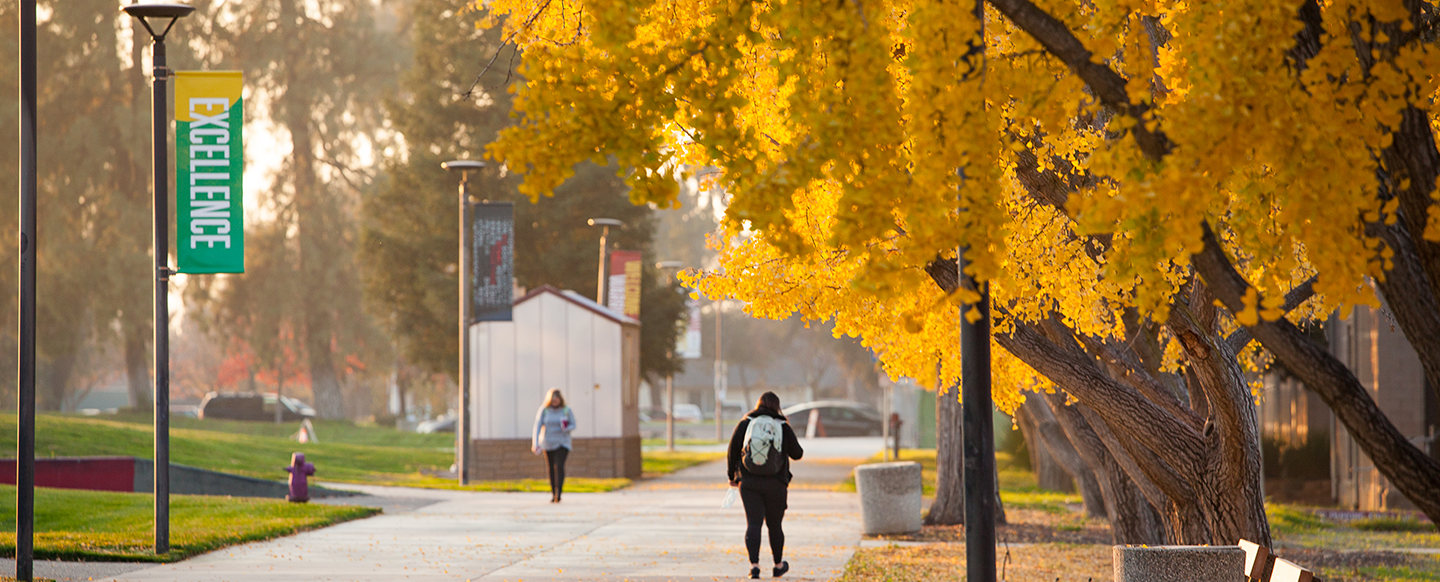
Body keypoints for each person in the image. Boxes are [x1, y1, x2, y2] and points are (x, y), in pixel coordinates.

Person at [727, 391, 803, 579]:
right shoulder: (782, 425)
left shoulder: (746, 423)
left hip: (749, 482)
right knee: (775, 525)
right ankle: (778, 565)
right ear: (777, 406)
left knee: (753, 523)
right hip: (776, 483)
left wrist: (732, 476)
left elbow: (732, 450)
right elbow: (797, 453)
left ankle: (754, 565)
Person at [532, 388, 577, 503]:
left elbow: (573, 424)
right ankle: (553, 493)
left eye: (556, 400)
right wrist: (535, 443)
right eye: (552, 400)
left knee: (559, 466)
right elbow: (537, 426)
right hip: (547, 442)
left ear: (560, 399)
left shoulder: (566, 410)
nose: (554, 402)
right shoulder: (544, 410)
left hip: (562, 442)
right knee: (551, 468)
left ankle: (559, 493)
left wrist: (566, 428)